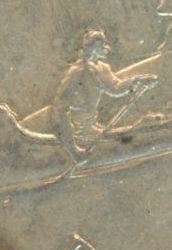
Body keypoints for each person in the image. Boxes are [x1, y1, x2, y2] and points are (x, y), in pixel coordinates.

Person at [51, 29, 157, 160]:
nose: (106, 47)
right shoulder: (77, 71)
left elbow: (116, 87)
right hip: (77, 132)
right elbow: (60, 109)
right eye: (102, 44)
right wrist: (73, 150)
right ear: (93, 47)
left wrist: (138, 80)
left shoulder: (101, 68)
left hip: (91, 126)